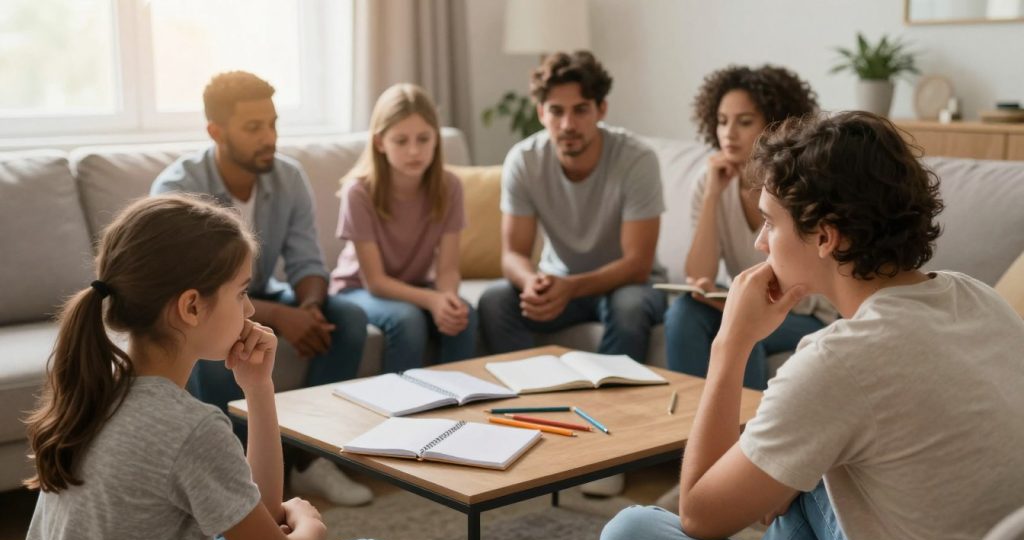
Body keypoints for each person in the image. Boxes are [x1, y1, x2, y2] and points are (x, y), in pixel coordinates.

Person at [600, 111, 1024, 540]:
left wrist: (730, 345)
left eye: (768, 222)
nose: (761, 244)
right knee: (806, 475)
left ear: (825, 236)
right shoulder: (976, 296)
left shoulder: (839, 361)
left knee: (629, 534)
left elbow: (699, 513)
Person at [18, 195, 404, 540]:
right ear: (191, 307)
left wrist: (258, 388)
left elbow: (261, 514)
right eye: (240, 292)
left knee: (247, 536)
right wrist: (310, 528)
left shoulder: (98, 390)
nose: (250, 310)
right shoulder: (189, 428)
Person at [152, 71, 373, 506]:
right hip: (201, 308)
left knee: (347, 318)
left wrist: (308, 308)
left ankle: (310, 461)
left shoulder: (288, 177)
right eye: (254, 128)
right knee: (214, 347)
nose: (269, 137)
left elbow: (307, 260)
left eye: (272, 123)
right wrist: (279, 317)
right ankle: (234, 474)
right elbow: (193, 293)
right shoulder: (177, 190)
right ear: (216, 131)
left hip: (259, 295)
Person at [477, 50, 667, 497]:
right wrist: (534, 283)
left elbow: (637, 263)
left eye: (580, 110)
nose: (568, 124)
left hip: (628, 283)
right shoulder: (524, 159)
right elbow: (513, 255)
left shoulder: (636, 158)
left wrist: (568, 287)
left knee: (628, 306)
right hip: (562, 281)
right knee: (494, 301)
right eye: (556, 111)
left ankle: (611, 447)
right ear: (541, 112)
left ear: (601, 109)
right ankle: (533, 427)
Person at [664, 64, 834, 392]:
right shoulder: (709, 181)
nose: (728, 133)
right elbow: (698, 272)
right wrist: (714, 195)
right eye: (722, 121)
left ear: (774, 125)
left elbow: (803, 284)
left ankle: (745, 439)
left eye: (744, 122)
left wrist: (737, 306)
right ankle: (681, 435)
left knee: (747, 330)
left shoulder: (798, 184)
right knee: (683, 313)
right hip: (740, 300)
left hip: (805, 310)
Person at [331, 83, 476, 372]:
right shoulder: (358, 193)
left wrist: (446, 298)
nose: (414, 151)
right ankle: (401, 409)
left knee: (464, 314)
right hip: (357, 290)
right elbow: (376, 281)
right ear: (380, 142)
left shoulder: (449, 187)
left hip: (415, 285)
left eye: (423, 139)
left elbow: (447, 269)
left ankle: (461, 403)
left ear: (436, 139)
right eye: (401, 140)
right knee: (407, 320)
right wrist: (432, 299)